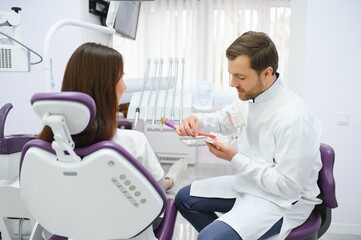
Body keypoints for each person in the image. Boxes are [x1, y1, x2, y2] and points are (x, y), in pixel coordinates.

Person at [175, 31, 323, 240]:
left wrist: (235, 157)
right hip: (252, 183)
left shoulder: (294, 118)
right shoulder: (250, 96)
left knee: (209, 238)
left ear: (267, 73)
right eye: (231, 74)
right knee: (184, 198)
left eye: (240, 77)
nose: (232, 83)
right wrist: (197, 120)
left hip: (282, 201)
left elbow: (288, 188)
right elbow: (227, 119)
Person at [38, 42, 188, 240]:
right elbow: (157, 205)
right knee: (162, 188)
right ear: (105, 86)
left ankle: (169, 179)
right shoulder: (133, 142)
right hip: (129, 231)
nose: (125, 86)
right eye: (121, 77)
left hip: (71, 229)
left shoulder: (46, 147)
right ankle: (170, 179)